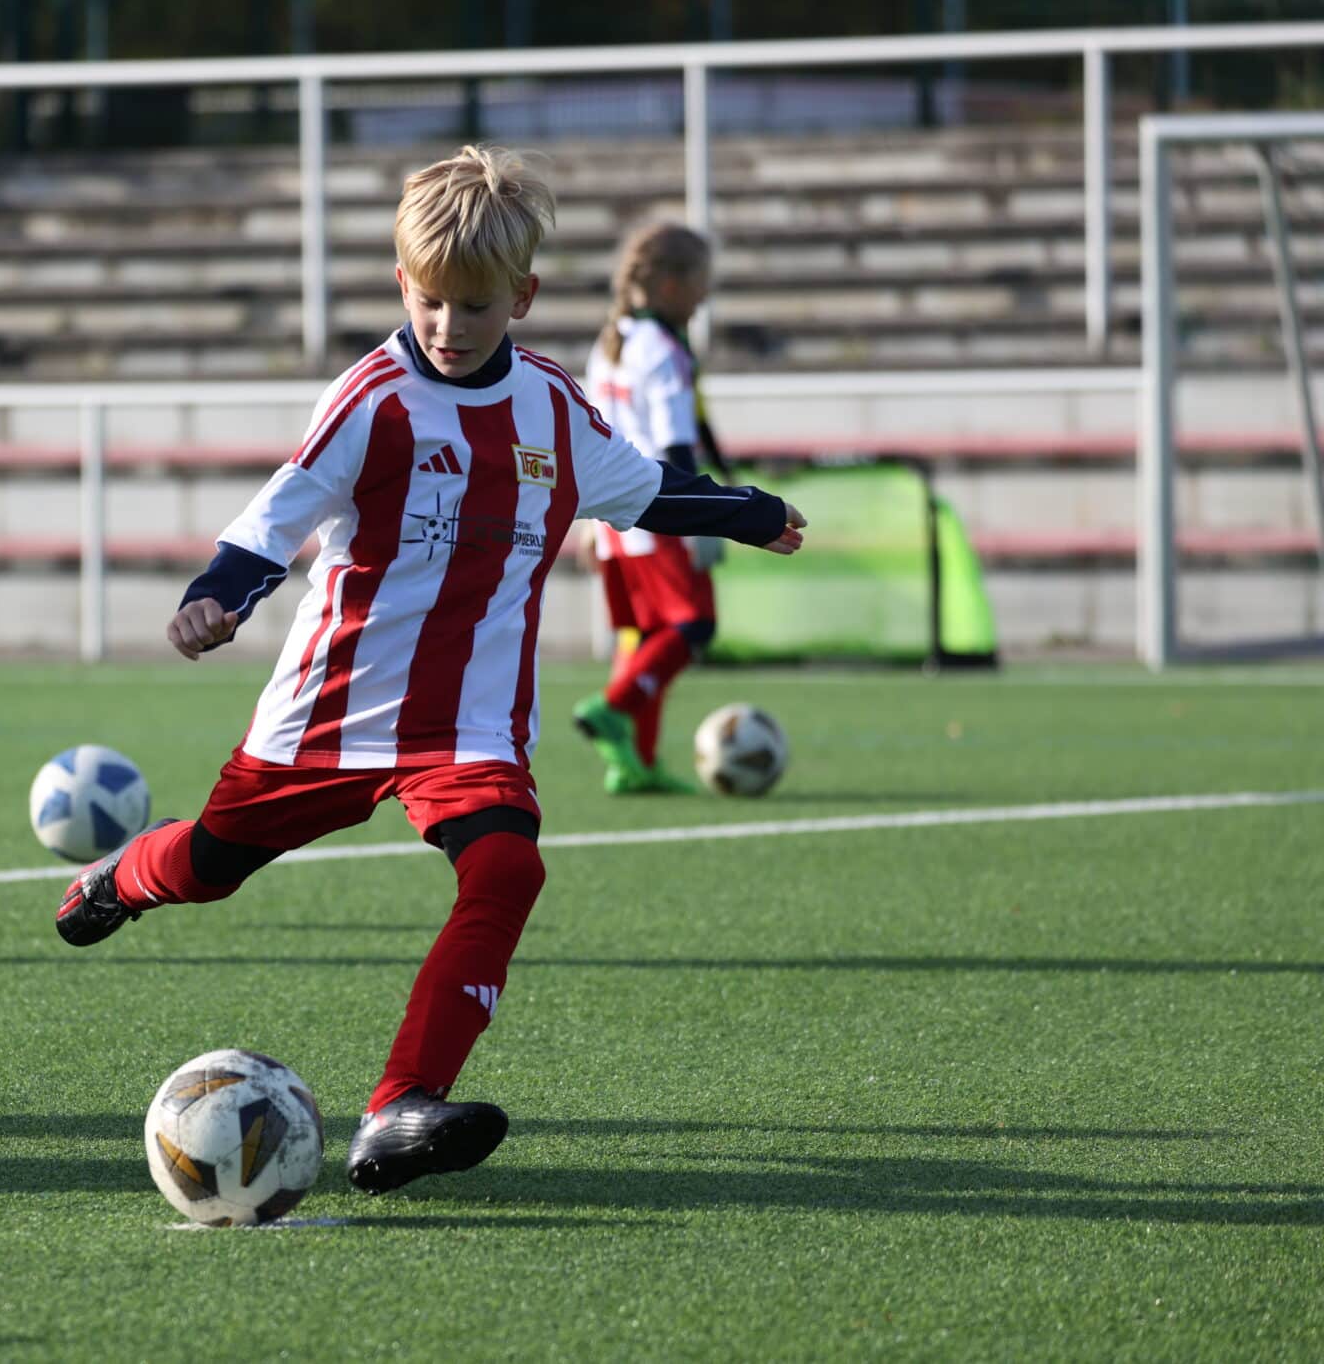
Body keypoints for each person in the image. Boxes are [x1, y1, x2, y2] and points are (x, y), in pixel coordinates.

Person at [53, 147, 806, 1195]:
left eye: (476, 307)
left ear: (523, 298)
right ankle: (119, 876)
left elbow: (639, 491)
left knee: (507, 868)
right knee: (209, 868)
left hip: (471, 722)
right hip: (332, 705)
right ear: (401, 284)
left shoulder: (549, 408)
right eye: (431, 301)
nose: (449, 327)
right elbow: (277, 518)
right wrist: (215, 594)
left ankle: (399, 1106)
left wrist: (751, 511)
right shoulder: (373, 398)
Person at [573, 223, 734, 795]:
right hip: (660, 509)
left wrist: (593, 522)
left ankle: (632, 762)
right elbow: (674, 446)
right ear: (670, 285)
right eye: (700, 283)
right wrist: (708, 515)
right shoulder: (661, 351)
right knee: (693, 625)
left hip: (614, 515)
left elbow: (596, 435)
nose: (705, 297)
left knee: (643, 639)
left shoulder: (608, 341)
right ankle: (613, 709)